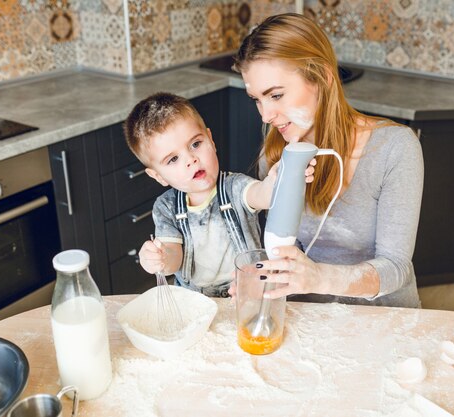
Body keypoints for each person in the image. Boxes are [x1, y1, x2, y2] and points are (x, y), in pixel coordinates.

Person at [232, 13, 424, 307]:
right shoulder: (276, 146)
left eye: (276, 95)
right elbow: (288, 247)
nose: (266, 115)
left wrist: (317, 277)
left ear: (322, 77)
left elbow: (396, 267)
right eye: (257, 99)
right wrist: (261, 276)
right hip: (309, 312)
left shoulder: (395, 148)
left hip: (383, 317)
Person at [124, 92, 314, 297]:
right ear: (158, 176)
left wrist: (278, 181)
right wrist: (160, 259)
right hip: (195, 301)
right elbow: (174, 258)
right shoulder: (166, 207)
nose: (191, 159)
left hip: (246, 292)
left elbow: (263, 195)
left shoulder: (235, 186)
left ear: (211, 140)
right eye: (173, 159)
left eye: (195, 144)